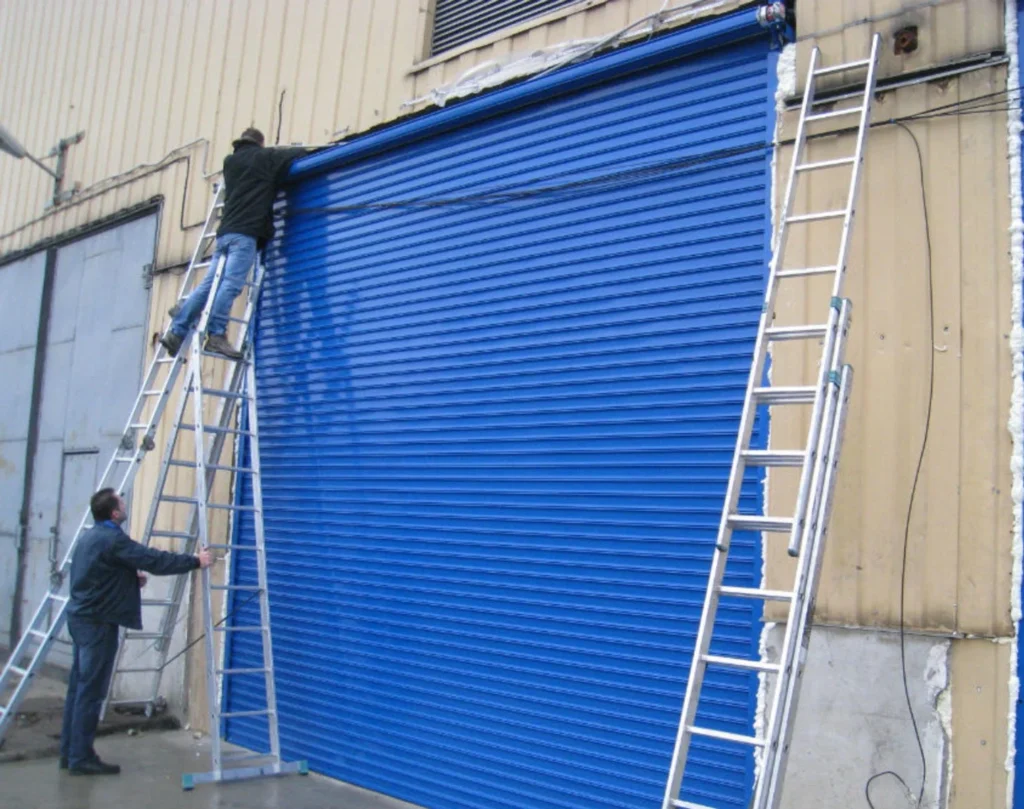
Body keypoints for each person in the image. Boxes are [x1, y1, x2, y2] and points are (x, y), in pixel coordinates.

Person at [59, 488, 213, 776]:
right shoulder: (112, 539)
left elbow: (96, 575)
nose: (126, 504)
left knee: (78, 690)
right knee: (91, 693)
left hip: (82, 620)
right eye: (122, 503)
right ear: (115, 513)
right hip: (98, 624)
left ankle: (70, 754)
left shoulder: (90, 537)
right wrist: (194, 561)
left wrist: (128, 579)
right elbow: (153, 559)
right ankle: (81, 758)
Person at [160, 127, 310, 360]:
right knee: (230, 285)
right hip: (245, 235)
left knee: (209, 285)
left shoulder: (231, 163)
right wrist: (301, 148)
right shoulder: (264, 158)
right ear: (260, 144)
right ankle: (216, 335)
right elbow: (292, 155)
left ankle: (177, 329)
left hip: (225, 235)